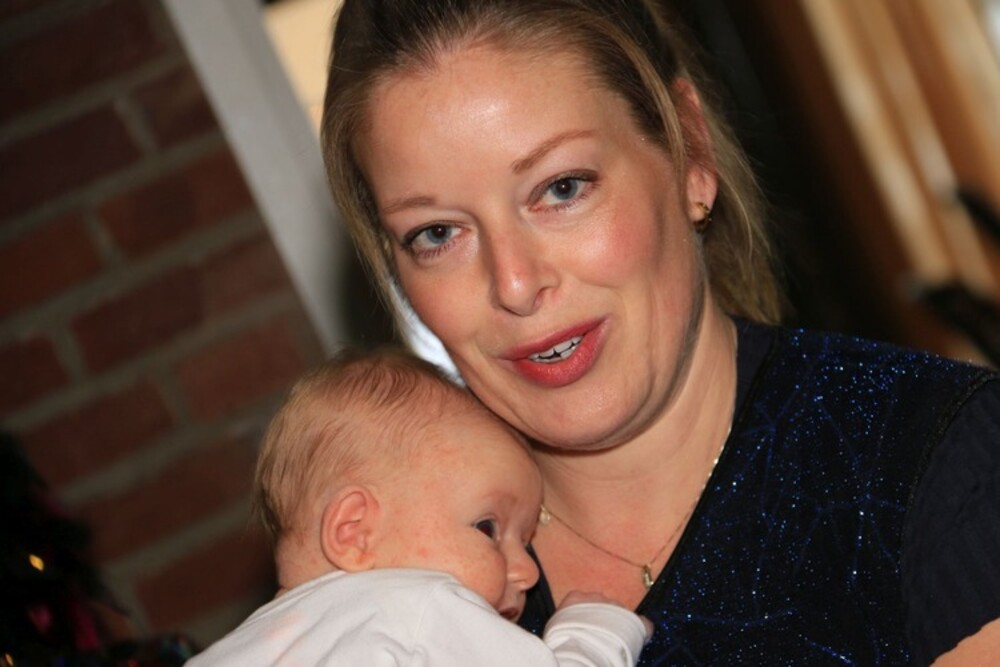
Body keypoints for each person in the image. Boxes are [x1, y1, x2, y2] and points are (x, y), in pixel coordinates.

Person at [319, 1, 1000, 664]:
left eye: (562, 188)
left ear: (690, 150)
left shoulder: (940, 461)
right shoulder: (380, 557)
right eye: (438, 233)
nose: (515, 284)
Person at [186, 347, 648, 666]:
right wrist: (593, 634)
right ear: (355, 532)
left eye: (524, 542)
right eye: (488, 528)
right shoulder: (417, 609)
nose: (527, 572)